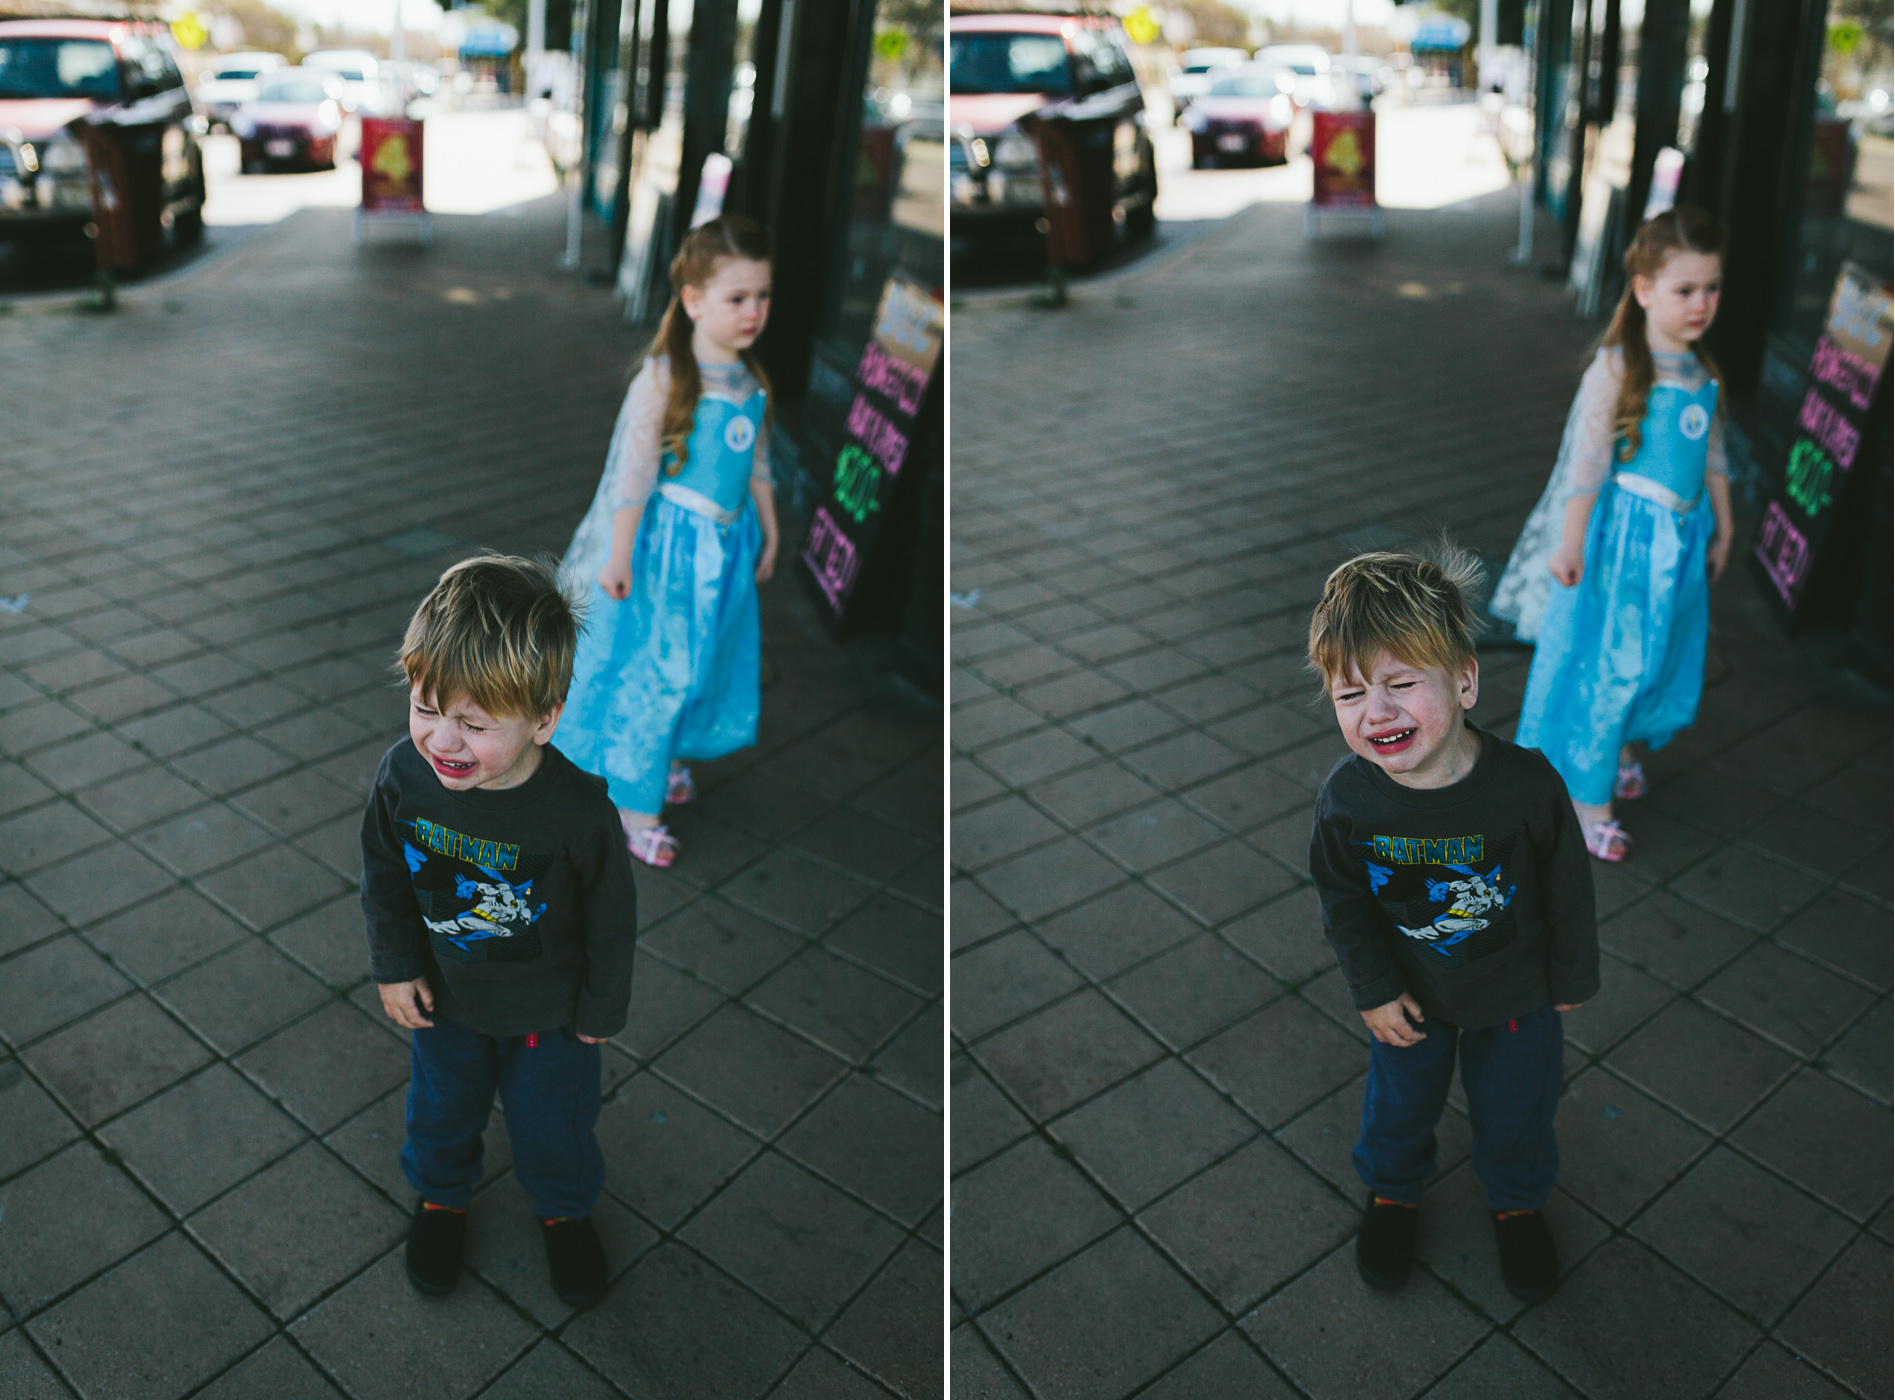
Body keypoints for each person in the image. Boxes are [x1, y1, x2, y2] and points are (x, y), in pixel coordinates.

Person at [1307, 548, 1598, 1304]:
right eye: (1349, 694)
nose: (1376, 711)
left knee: (1518, 1111)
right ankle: (1394, 1191)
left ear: (1464, 679)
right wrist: (1371, 990)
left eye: (1401, 684)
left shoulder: (1527, 786)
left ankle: (1516, 1199)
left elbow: (1568, 886)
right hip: (1410, 1000)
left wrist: (1570, 977)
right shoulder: (1347, 801)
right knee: (1398, 1107)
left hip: (1516, 996)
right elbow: (1342, 900)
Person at [361, 554, 638, 1307]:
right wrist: (393, 964)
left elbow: (614, 919)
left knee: (555, 1124)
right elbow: (383, 877)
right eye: (425, 708)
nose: (443, 742)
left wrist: (601, 1007)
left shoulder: (579, 812)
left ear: (544, 717)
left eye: (475, 724)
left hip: (551, 1016)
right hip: (445, 1002)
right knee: (441, 1109)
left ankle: (564, 1209)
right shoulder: (402, 777)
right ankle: (443, 1196)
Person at [1491, 207, 1733, 862]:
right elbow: (1586, 464)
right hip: (1625, 549)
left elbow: (1711, 451)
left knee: (1657, 656)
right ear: (1644, 288)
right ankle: (1587, 798)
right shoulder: (1620, 368)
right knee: (1613, 663)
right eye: (1685, 290)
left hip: (1680, 545)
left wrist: (1724, 521)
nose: (1700, 304)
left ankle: (1620, 743)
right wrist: (1568, 544)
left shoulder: (1700, 369)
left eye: (1711, 288)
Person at [554, 216, 780, 869]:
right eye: (737, 298)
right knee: (659, 670)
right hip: (668, 560)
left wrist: (768, 526)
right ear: (693, 300)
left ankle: (667, 755)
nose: (753, 312)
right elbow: (632, 472)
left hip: (725, 552)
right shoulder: (664, 380)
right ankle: (636, 805)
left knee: (705, 661)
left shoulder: (748, 379)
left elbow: (757, 458)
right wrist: (618, 553)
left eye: (762, 296)